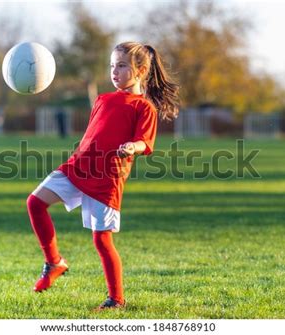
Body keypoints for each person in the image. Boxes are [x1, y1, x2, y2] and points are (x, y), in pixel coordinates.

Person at [26, 41, 180, 310]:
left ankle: (116, 300)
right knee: (35, 203)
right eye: (112, 66)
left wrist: (132, 146)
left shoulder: (143, 107)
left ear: (141, 70)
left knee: (102, 239)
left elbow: (145, 142)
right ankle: (54, 262)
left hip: (107, 178)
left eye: (121, 66)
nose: (114, 71)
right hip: (77, 167)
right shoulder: (103, 99)